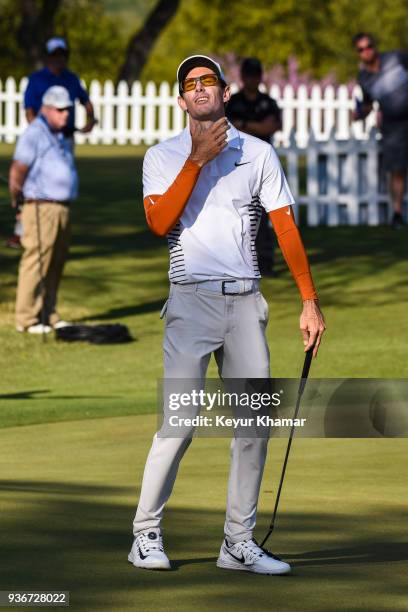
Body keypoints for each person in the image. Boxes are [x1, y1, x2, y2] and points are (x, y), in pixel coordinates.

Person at [128, 55, 326, 575]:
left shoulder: (257, 153)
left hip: (244, 301)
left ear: (224, 92)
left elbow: (285, 228)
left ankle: (238, 543)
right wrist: (194, 161)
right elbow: (158, 222)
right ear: (180, 99)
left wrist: (308, 299)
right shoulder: (162, 155)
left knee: (253, 424)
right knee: (181, 422)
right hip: (189, 300)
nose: (199, 90)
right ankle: (145, 533)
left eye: (207, 82)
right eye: (190, 84)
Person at [7, 37, 95, 249]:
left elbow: (86, 102)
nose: (58, 59)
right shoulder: (36, 79)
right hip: (42, 140)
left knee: (59, 185)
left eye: (62, 55)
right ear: (47, 57)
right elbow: (29, 109)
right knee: (31, 187)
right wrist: (39, 131)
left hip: (65, 140)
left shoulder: (71, 79)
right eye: (54, 55)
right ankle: (21, 231)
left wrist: (91, 120)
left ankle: (56, 230)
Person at [9, 86, 78, 334]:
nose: (65, 114)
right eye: (60, 110)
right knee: (36, 261)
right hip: (40, 206)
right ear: (46, 109)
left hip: (62, 207)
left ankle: (48, 313)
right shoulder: (34, 133)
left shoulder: (60, 134)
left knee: (56, 262)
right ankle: (27, 318)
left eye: (67, 109)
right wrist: (17, 202)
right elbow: (18, 169)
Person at [227, 58, 282, 275]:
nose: (251, 79)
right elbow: (230, 128)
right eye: (247, 75)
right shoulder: (233, 102)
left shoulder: (268, 102)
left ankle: (265, 261)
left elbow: (272, 125)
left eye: (254, 75)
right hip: (237, 163)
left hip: (262, 165)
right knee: (236, 213)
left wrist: (246, 125)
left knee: (263, 214)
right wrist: (255, 127)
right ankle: (237, 261)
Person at [352, 33, 408, 229]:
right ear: (358, 53)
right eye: (361, 49)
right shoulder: (364, 78)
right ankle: (397, 214)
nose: (366, 51)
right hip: (392, 127)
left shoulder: (396, 57)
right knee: (397, 170)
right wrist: (359, 114)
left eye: (368, 46)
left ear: (375, 46)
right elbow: (367, 104)